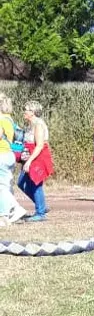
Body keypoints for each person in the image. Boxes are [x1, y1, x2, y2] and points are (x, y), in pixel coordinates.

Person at [18, 100, 53, 222]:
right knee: (21, 183)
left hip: (38, 157)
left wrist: (29, 161)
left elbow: (40, 145)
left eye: (26, 109)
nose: (24, 111)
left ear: (32, 112)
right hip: (31, 156)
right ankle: (41, 206)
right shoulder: (30, 124)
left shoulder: (38, 124)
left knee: (35, 184)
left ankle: (40, 213)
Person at [0, 95, 24, 223]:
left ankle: (8, 213)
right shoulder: (9, 119)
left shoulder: (1, 120)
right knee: (6, 186)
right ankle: (11, 212)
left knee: (2, 187)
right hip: (9, 155)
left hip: (2, 154)